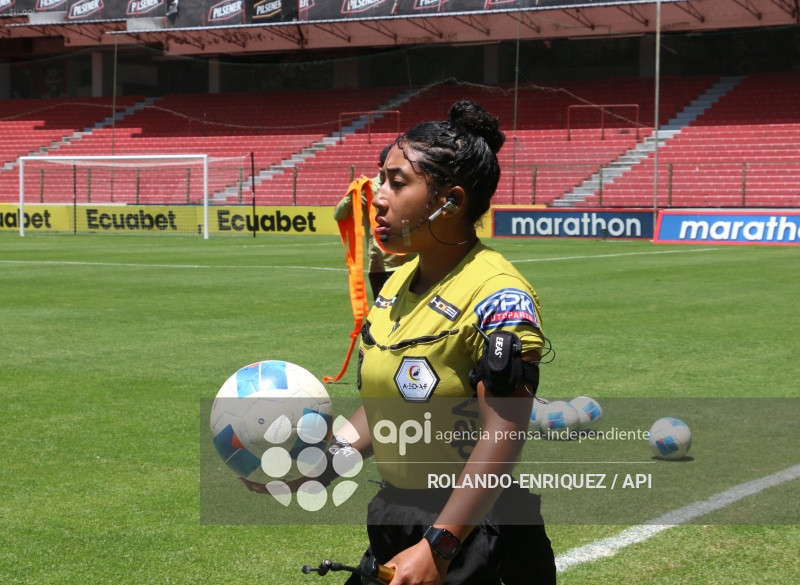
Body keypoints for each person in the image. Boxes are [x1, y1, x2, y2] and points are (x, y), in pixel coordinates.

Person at [243, 100, 556, 585]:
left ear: (451, 201)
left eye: (397, 182)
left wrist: (440, 546)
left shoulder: (499, 297)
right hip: (397, 519)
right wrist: (318, 464)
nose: (378, 197)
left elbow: (503, 436)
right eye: (380, 180)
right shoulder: (396, 283)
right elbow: (390, 408)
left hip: (477, 536)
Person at [333, 144, 412, 299]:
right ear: (380, 166)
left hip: (410, 261)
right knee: (383, 309)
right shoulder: (367, 188)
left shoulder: (408, 185)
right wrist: (354, 192)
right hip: (382, 265)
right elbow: (339, 214)